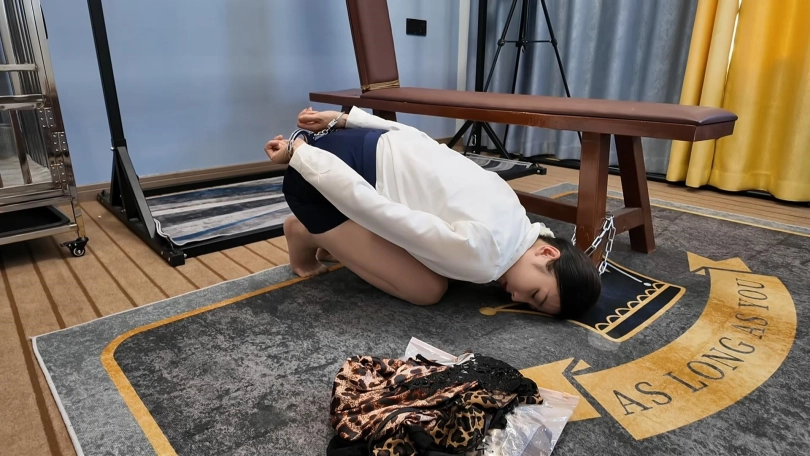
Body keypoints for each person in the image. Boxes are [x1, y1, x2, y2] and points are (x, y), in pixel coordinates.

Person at [264, 106, 601, 319]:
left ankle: (334, 234)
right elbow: (384, 215)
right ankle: (305, 232)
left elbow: (430, 147)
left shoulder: (515, 211)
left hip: (357, 143)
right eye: (535, 295)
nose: (515, 296)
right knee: (426, 288)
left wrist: (347, 121)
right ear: (547, 252)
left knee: (442, 263)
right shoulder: (486, 258)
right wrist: (303, 156)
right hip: (319, 184)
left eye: (527, 304)